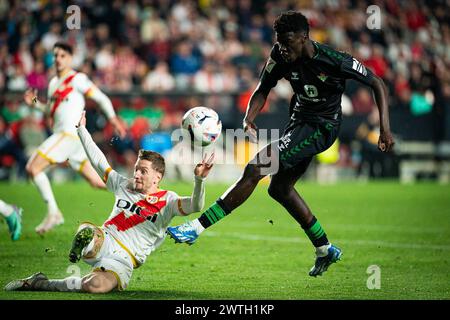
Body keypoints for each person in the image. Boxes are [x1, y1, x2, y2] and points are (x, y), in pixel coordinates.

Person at [167, 11, 395, 277]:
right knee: (280, 189)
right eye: (279, 42)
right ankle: (324, 248)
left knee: (255, 168)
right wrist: (248, 118)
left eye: (287, 42)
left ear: (304, 38)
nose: (282, 48)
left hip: (321, 127)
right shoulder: (280, 55)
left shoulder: (334, 60)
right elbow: (263, 87)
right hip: (297, 122)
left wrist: (384, 130)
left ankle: (196, 228)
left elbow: (376, 82)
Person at [4, 111, 214, 293]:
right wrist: (82, 131)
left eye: (143, 171)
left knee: (94, 286)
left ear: (157, 177)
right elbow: (98, 162)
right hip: (106, 238)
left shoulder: (168, 200)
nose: (137, 174)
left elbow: (196, 206)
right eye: (136, 169)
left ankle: (39, 283)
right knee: (88, 234)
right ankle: (85, 241)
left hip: (126, 258)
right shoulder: (123, 184)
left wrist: (199, 179)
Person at [23, 41, 126, 234]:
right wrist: (35, 102)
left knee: (32, 168)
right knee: (97, 182)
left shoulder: (77, 79)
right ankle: (134, 192)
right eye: (55, 55)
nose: (58, 59)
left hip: (69, 135)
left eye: (62, 56)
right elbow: (49, 109)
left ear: (70, 58)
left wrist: (112, 119)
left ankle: (54, 212)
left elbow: (101, 97)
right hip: (72, 140)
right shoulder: (54, 83)